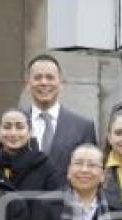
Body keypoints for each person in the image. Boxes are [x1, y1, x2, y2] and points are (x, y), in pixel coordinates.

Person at [25, 54, 98, 184]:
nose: (44, 82)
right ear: (27, 84)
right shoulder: (13, 125)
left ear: (61, 83)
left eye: (50, 77)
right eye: (37, 78)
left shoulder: (83, 127)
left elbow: (91, 171)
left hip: (67, 202)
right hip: (20, 201)